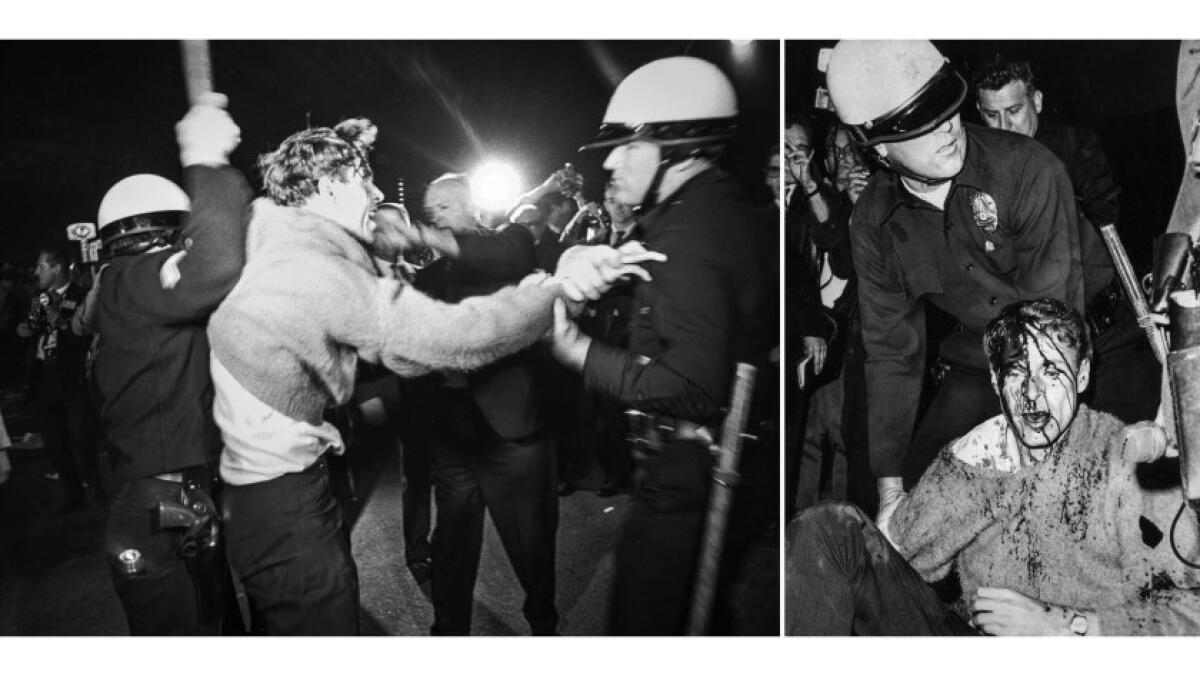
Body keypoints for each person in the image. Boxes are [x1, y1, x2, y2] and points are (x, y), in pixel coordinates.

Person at [208, 119, 656, 635]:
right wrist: (551, 293)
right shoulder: (316, 271)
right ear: (330, 188)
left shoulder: (275, 236)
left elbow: (410, 325)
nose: (376, 195)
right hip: (286, 503)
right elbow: (451, 338)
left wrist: (344, 150)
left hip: (271, 496)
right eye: (365, 183)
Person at [824, 40, 1149, 516]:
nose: (948, 128)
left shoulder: (1026, 168)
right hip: (986, 357)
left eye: (945, 107)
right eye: (921, 123)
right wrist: (891, 488)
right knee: (919, 502)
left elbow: (1052, 330)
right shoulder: (873, 223)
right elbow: (892, 353)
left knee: (1117, 506)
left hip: (1093, 345)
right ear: (876, 147)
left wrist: (1034, 464)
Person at [786, 297, 1200, 635]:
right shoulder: (977, 458)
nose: (1032, 394)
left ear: (1083, 374)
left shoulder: (1128, 462)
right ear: (995, 383)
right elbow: (889, 559)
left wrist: (1061, 626)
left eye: (1051, 370)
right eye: (1016, 372)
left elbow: (1189, 615)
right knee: (828, 529)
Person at [547, 56, 769, 634]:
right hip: (686, 464)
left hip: (688, 469)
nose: (610, 161)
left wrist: (579, 353)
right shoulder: (695, 212)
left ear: (679, 145)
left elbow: (693, 386)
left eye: (628, 145)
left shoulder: (693, 233)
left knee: (643, 627)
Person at [92, 93, 249, 635]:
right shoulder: (135, 283)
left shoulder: (117, 291)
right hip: (162, 504)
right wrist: (205, 160)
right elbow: (215, 265)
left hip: (172, 494)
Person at [415, 172, 559, 635]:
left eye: (443, 206)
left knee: (530, 544)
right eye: (428, 210)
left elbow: (506, 252)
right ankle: (448, 629)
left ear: (469, 205)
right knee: (452, 542)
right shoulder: (431, 274)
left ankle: (542, 623)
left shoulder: (507, 248)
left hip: (509, 431)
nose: (434, 216)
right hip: (452, 429)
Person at [16, 246, 97, 512]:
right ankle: (73, 496)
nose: (36, 271)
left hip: (71, 377)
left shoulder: (81, 295)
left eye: (41, 267)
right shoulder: (39, 298)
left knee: (81, 438)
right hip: (45, 376)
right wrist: (26, 329)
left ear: (57, 268)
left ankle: (98, 492)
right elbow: (33, 329)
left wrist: (60, 323)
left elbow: (83, 335)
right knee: (55, 442)